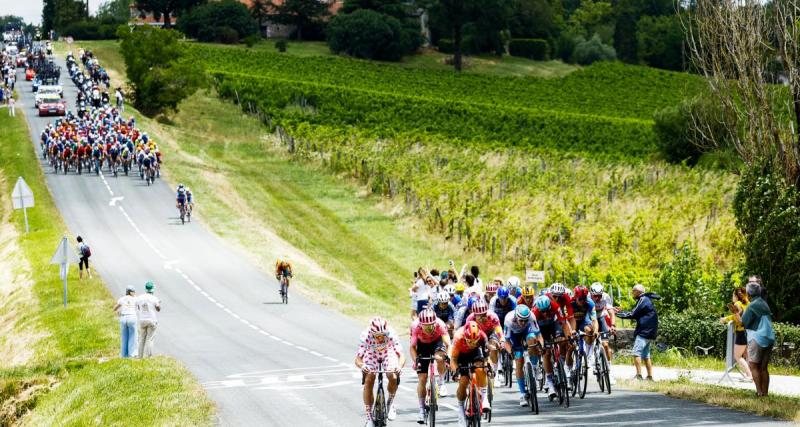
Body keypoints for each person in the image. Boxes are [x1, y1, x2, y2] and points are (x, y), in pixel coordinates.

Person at [356, 317, 405, 427]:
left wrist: (399, 366)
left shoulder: (391, 334)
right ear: (372, 334)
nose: (381, 338)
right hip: (371, 354)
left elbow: (401, 355)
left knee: (392, 376)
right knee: (369, 378)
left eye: (384, 335)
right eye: (378, 336)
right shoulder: (366, 335)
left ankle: (390, 402)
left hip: (388, 353)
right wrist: (362, 365)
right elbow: (358, 358)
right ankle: (369, 417)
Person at [409, 309, 451, 423]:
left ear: (435, 323)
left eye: (431, 326)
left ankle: (441, 382)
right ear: (421, 324)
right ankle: (421, 410)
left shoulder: (440, 324)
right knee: (422, 378)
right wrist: (415, 361)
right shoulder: (415, 326)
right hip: (422, 345)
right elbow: (412, 347)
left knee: (440, 358)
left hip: (437, 342)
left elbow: (448, 343)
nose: (428, 329)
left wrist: (447, 357)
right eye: (426, 327)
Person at [616, 284, 660, 380]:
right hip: (650, 332)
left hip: (644, 331)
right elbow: (636, 312)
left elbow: (633, 314)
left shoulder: (643, 299)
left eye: (633, 291)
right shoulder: (646, 299)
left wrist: (617, 313)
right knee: (646, 355)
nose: (632, 293)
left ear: (638, 291)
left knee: (636, 353)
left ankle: (639, 376)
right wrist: (622, 311)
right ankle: (649, 377)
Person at [533, 294, 573, 397]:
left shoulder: (555, 306)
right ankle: (550, 382)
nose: (545, 313)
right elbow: (534, 332)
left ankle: (561, 364)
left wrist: (567, 337)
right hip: (541, 328)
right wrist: (539, 343)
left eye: (547, 310)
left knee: (563, 341)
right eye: (543, 312)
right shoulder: (535, 312)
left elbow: (563, 323)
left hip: (553, 324)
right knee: (546, 352)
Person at [450, 321, 490, 426]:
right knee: (463, 381)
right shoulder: (458, 337)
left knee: (481, 368)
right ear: (465, 337)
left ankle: (485, 398)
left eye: (474, 341)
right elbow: (453, 359)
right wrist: (456, 371)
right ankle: (461, 410)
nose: (472, 344)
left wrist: (487, 367)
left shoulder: (482, 336)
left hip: (476, 353)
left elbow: (486, 358)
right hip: (461, 356)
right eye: (470, 341)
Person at [503, 305, 543, 406]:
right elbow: (506, 342)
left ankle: (535, 366)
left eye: (526, 320)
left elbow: (539, 335)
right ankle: (522, 393)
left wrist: (541, 347)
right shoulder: (508, 319)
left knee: (532, 341)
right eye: (521, 320)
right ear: (516, 317)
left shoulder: (531, 316)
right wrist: (510, 352)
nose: (524, 323)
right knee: (519, 361)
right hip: (514, 335)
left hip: (527, 332)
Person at [741, 281, 775, 397]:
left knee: (753, 365)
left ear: (748, 294)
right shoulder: (764, 304)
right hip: (769, 337)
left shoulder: (751, 306)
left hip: (757, 338)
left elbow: (744, 323)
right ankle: (765, 394)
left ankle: (759, 393)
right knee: (764, 367)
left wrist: (738, 313)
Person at [464, 298, 504, 388]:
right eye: (479, 316)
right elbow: (465, 334)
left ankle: (495, 373)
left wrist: (502, 340)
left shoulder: (493, 316)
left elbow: (498, 330)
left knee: (493, 347)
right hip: (477, 334)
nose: (481, 318)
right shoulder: (470, 318)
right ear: (474, 314)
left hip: (490, 333)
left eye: (484, 315)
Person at [719, 286, 753, 381]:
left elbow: (737, 318)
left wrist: (725, 319)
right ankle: (752, 374)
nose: (732, 297)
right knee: (746, 354)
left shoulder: (737, 304)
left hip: (741, 332)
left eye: (733, 295)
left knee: (737, 356)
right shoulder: (748, 304)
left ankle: (750, 376)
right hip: (749, 331)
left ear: (736, 296)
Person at [590, 282, 617, 385]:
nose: (597, 298)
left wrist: (613, 325)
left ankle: (609, 371)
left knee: (605, 345)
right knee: (591, 337)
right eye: (595, 296)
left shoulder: (605, 296)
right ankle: (592, 359)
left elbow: (611, 312)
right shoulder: (587, 297)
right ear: (591, 294)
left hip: (601, 316)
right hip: (591, 317)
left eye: (599, 296)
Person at [136, 281, 161, 358]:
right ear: (153, 289)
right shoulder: (154, 298)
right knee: (149, 339)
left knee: (141, 338)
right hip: (151, 320)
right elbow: (158, 309)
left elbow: (138, 307)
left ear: (145, 289)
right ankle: (148, 357)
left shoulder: (140, 297)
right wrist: (159, 303)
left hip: (142, 320)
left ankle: (139, 356)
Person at [113, 285, 138, 358]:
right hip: (132, 317)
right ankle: (132, 354)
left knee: (124, 337)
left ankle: (123, 355)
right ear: (131, 292)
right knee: (133, 336)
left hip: (123, 317)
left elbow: (115, 308)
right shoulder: (135, 299)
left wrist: (118, 311)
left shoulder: (122, 298)